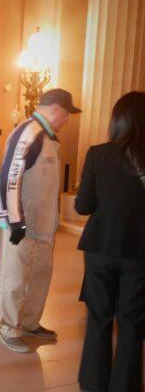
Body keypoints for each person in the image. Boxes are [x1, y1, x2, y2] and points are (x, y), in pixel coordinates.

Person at [0, 88, 81, 353]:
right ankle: (8, 330)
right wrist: (16, 222)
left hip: (42, 228)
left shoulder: (49, 137)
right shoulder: (28, 133)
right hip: (20, 227)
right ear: (55, 108)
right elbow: (10, 178)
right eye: (66, 114)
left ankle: (29, 324)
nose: (67, 120)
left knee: (39, 277)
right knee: (15, 279)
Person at [75, 91, 145, 392]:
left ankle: (93, 382)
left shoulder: (97, 154)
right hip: (140, 252)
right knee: (132, 323)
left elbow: (82, 206)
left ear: (117, 120)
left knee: (98, 319)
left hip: (100, 248)